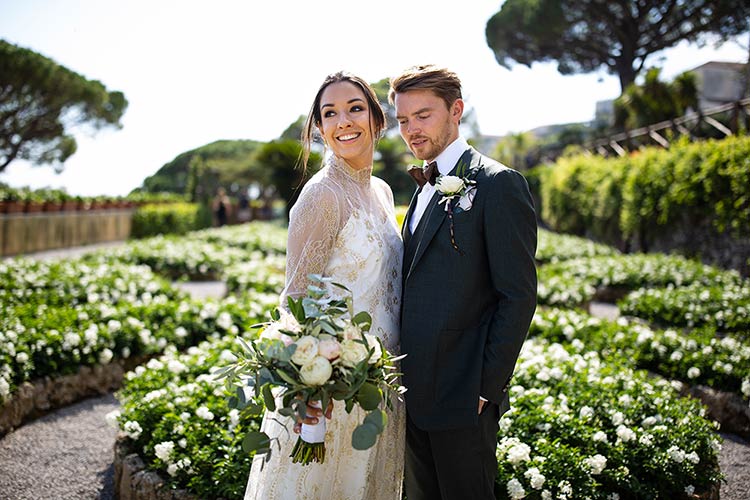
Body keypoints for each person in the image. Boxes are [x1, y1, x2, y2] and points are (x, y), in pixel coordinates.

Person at [244, 72, 405, 499]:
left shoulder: (384, 192)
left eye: (355, 108)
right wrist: (309, 391)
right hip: (332, 393)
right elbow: (294, 302)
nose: (343, 121)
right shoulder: (322, 196)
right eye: (329, 113)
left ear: (377, 118)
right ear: (318, 128)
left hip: (380, 385)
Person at [390, 65, 537, 499]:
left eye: (422, 115)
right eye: (402, 120)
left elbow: (518, 295)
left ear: (456, 110)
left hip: (462, 393)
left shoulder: (499, 184)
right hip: (412, 392)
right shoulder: (421, 187)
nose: (411, 130)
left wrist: (484, 389)